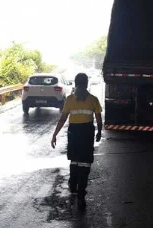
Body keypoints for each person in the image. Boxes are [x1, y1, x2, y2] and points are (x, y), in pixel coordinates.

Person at [51, 73, 102, 210]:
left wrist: (55, 134)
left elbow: (62, 119)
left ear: (75, 84)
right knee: (85, 163)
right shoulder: (93, 99)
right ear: (86, 84)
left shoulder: (69, 100)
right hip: (87, 134)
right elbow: (98, 118)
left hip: (74, 134)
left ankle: (73, 184)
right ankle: (81, 195)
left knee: (74, 160)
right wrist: (99, 131)